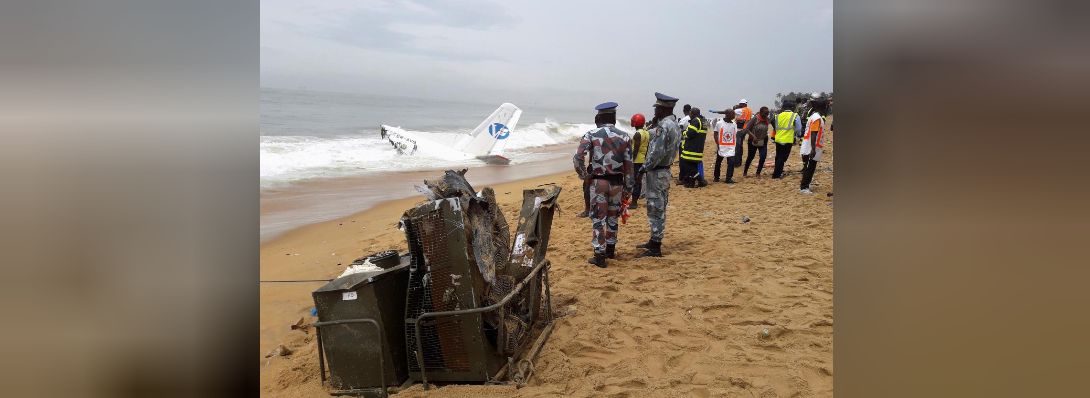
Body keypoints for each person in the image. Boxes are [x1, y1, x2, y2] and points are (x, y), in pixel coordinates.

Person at [573, 102, 634, 267]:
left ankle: (599, 255)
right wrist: (629, 189)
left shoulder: (591, 135)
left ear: (598, 118)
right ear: (614, 118)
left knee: (599, 219)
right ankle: (611, 250)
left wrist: (584, 176)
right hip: (617, 183)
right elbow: (629, 166)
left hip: (599, 182)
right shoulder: (625, 136)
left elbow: (578, 157)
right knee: (613, 217)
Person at [635, 92, 682, 258]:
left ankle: (655, 246)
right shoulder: (674, 124)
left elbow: (656, 152)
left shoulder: (664, 126)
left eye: (657, 108)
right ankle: (654, 240)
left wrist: (643, 168)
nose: (655, 111)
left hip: (656, 171)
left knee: (655, 208)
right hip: (664, 170)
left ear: (663, 109)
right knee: (659, 206)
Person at [799, 99, 828, 194]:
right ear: (822, 107)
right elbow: (814, 134)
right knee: (809, 167)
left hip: (812, 146)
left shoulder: (815, 116)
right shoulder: (817, 118)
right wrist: (813, 149)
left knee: (811, 167)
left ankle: (806, 184)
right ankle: (804, 187)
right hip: (811, 147)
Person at [770, 100, 802, 179]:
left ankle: (777, 172)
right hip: (788, 139)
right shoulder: (795, 115)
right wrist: (798, 135)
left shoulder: (778, 115)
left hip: (778, 138)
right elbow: (798, 129)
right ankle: (777, 175)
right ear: (792, 107)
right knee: (783, 157)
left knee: (778, 156)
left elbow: (773, 123)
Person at [678, 107, 709, 188]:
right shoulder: (704, 121)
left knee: (686, 165)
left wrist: (683, 133)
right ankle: (691, 183)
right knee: (693, 166)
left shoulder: (695, 120)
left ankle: (700, 180)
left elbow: (690, 134)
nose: (690, 115)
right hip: (698, 148)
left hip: (691, 148)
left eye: (690, 113)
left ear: (693, 114)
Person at [742, 106, 772, 178]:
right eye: (765, 113)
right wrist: (753, 136)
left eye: (768, 113)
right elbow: (746, 129)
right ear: (761, 112)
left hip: (763, 140)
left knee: (763, 157)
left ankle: (758, 173)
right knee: (750, 157)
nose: (766, 115)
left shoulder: (767, 119)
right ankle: (745, 172)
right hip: (753, 141)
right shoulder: (755, 119)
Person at [712, 108, 739, 183]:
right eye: (732, 114)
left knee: (731, 162)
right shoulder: (719, 123)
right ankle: (716, 177)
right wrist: (718, 144)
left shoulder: (734, 124)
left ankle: (728, 178)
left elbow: (734, 135)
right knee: (718, 162)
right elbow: (715, 134)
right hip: (721, 146)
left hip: (731, 147)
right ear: (727, 114)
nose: (734, 115)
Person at [629, 113, 650, 209]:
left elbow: (635, 149)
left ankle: (634, 203)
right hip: (643, 159)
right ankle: (635, 201)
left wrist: (631, 160)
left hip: (637, 160)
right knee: (639, 181)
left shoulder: (638, 134)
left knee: (636, 182)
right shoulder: (646, 132)